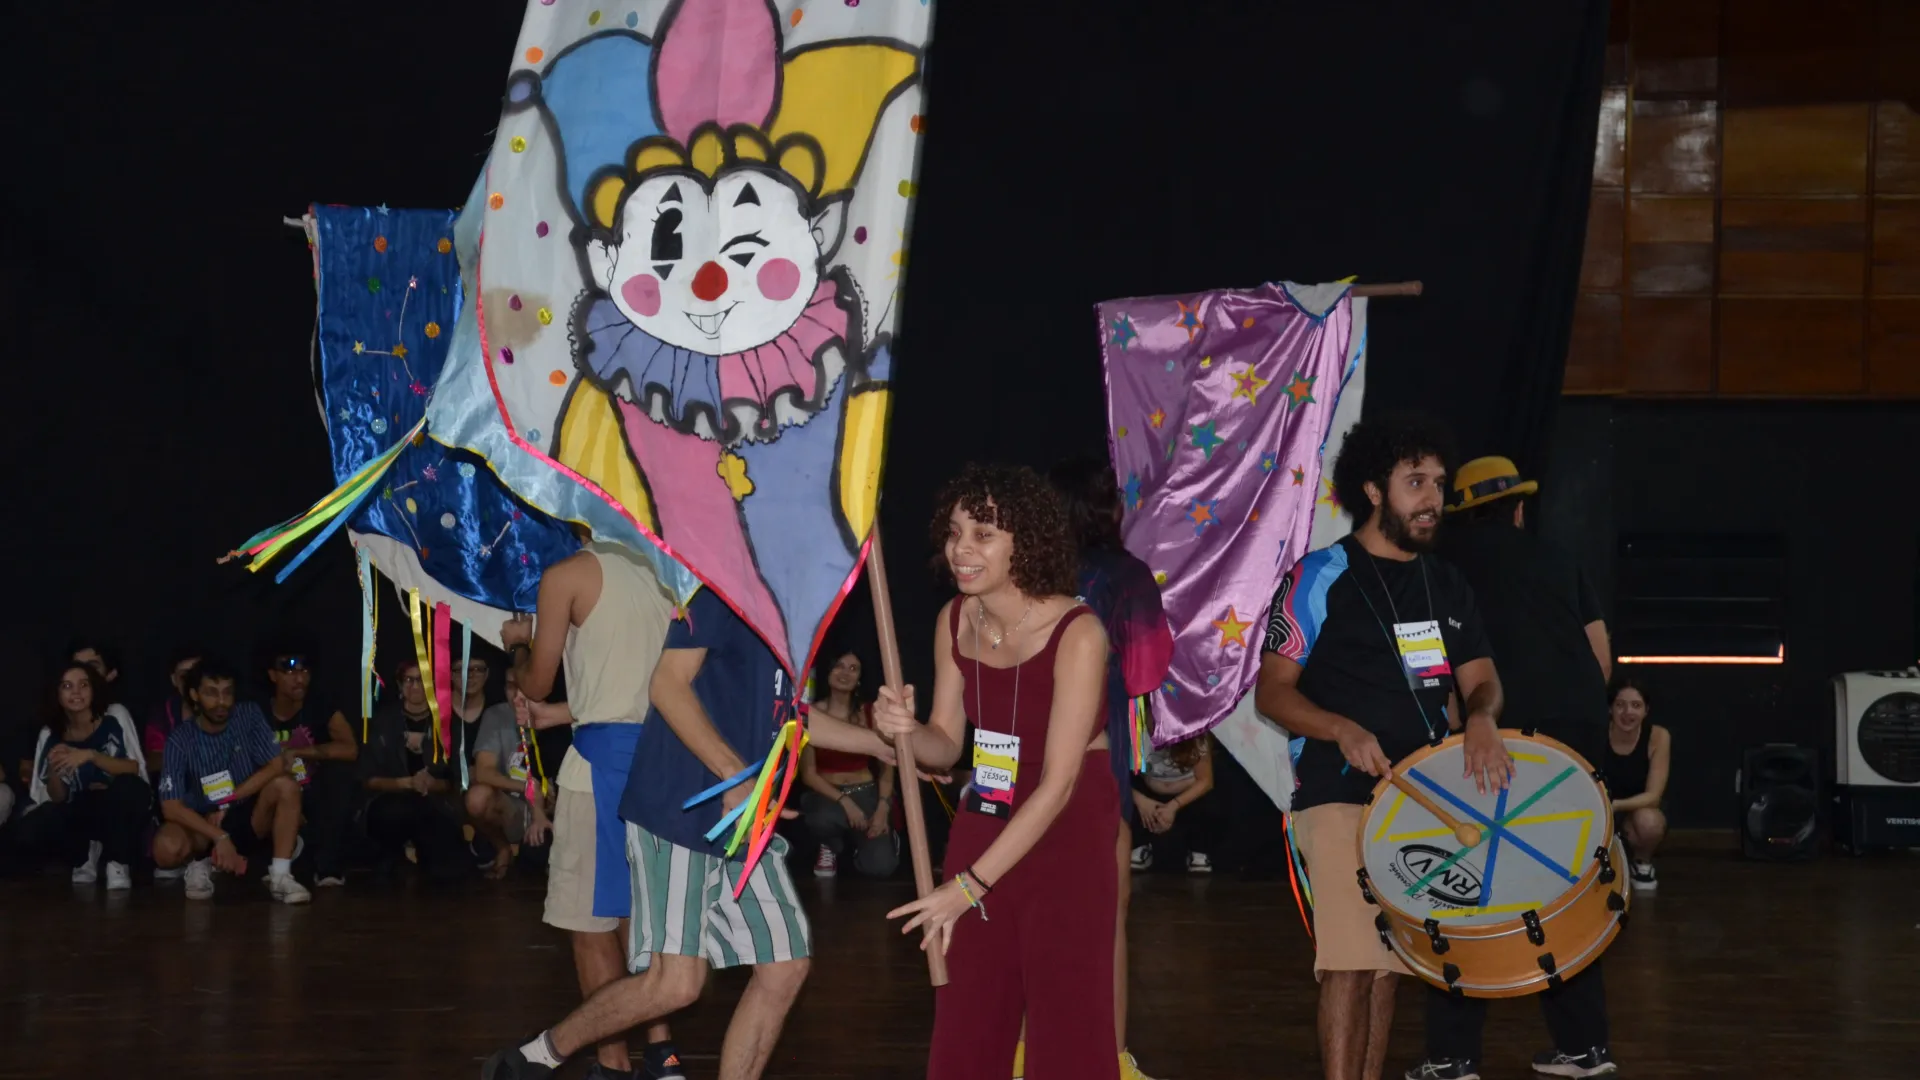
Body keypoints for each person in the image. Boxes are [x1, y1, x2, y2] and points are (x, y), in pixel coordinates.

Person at [484, 580, 896, 1080]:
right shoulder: (721, 594)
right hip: (679, 807)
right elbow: (665, 684)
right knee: (676, 984)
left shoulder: (794, 617)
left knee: (785, 966)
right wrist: (733, 774)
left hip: (743, 817)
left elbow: (790, 716)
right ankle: (538, 1056)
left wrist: (879, 745)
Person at [1254, 414, 1507, 1080]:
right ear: (1372, 490)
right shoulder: (1318, 576)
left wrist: (1482, 718)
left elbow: (1481, 682)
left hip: (1422, 800)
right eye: (1415, 482)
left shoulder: (1446, 583)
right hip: (1336, 793)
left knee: (1390, 966)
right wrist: (1340, 728)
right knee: (1349, 962)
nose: (1432, 499)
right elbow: (1272, 693)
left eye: (1439, 484)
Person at [870, 463, 1118, 1080]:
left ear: (1023, 541)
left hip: (1068, 822)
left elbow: (1059, 784)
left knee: (1067, 1011)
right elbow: (945, 745)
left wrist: (968, 887)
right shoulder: (955, 618)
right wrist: (902, 730)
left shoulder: (1078, 631)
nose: (962, 548)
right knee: (969, 1004)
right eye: (955, 532)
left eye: (983, 534)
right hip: (989, 804)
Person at [1419, 454, 1620, 1079]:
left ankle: (1453, 1057)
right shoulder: (1560, 559)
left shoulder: (1442, 567)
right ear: (1519, 509)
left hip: (1492, 739)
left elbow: (1439, 666)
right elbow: (1601, 660)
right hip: (1574, 743)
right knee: (1566, 887)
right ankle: (1585, 1047)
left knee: (1464, 889)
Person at [500, 540, 685, 1080]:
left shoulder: (569, 575)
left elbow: (536, 681)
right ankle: (664, 1056)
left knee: (591, 924)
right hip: (661, 766)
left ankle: (612, 1063)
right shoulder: (670, 572)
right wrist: (566, 713)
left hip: (600, 770)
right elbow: (643, 685)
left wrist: (518, 646)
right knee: (641, 919)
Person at [1048, 454, 1174, 1080]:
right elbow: (1149, 670)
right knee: (1108, 916)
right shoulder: (1125, 576)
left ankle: (1029, 1055)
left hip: (1025, 752)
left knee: (1031, 915)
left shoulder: (1024, 570)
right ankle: (1110, 1060)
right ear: (1105, 507)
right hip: (1098, 754)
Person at [154, 659, 312, 904]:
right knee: (166, 848)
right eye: (211, 693)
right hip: (202, 825)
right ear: (194, 695)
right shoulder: (180, 739)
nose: (221, 702)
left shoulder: (248, 715)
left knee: (286, 784)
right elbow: (170, 807)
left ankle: (281, 875)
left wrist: (229, 799)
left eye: (227, 693)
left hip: (245, 813)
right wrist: (219, 836)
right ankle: (199, 864)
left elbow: (276, 764)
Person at [14, 663, 150, 888]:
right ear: (57, 694)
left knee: (129, 788)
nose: (76, 692)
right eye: (67, 686)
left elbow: (134, 769)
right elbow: (57, 797)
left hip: (115, 805)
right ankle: (84, 854)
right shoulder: (50, 733)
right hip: (80, 808)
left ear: (94, 689)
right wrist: (54, 769)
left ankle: (117, 860)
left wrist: (91, 756)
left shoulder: (114, 716)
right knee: (33, 826)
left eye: (83, 685)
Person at [356, 658, 471, 882]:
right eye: (409, 680)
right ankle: (391, 856)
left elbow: (457, 779)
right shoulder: (382, 721)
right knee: (395, 811)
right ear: (400, 685)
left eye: (422, 680)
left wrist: (432, 784)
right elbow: (367, 778)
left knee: (450, 875)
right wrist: (405, 783)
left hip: (436, 804)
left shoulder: (448, 723)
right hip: (390, 803)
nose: (416, 686)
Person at [261, 647, 358, 887]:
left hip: (314, 794)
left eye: (304, 671)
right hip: (273, 792)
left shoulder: (320, 706)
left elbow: (350, 749)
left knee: (339, 777)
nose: (299, 679)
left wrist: (299, 752)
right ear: (273, 675)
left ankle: (328, 866)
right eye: (290, 672)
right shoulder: (258, 712)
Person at [798, 650, 899, 879]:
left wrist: (882, 809)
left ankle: (873, 843)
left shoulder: (870, 713)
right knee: (820, 818)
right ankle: (829, 845)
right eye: (839, 666)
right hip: (828, 796)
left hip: (866, 792)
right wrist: (845, 802)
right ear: (828, 671)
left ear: (860, 678)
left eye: (853, 669)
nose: (845, 673)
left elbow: (887, 764)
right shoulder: (811, 713)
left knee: (881, 867)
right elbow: (809, 774)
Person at [466, 666, 553, 880]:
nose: (516, 694)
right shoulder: (496, 715)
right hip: (511, 804)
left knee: (535, 861)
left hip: (549, 808)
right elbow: (483, 772)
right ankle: (501, 847)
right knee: (476, 798)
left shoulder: (553, 714)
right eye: (510, 686)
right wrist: (526, 788)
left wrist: (540, 805)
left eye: (522, 686)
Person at [1603, 678, 1668, 893]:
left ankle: (1642, 862)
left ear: (1646, 710)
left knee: (1650, 822)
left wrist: (1615, 805)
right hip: (1599, 806)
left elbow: (1654, 796)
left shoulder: (1658, 736)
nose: (1627, 712)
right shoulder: (1596, 734)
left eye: (1636, 705)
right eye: (1620, 705)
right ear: (1610, 709)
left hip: (1632, 809)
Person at [1130, 734, 1219, 874]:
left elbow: (1206, 781)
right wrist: (1141, 801)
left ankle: (1199, 852)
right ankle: (1140, 846)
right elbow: (1120, 774)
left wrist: (1173, 806)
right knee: (1125, 796)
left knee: (1208, 801)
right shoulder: (1137, 729)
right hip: (1149, 792)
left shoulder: (1196, 735)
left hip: (1186, 794)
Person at [142, 647, 203, 777]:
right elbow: (153, 761)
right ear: (174, 680)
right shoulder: (162, 712)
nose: (191, 682)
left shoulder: (222, 707)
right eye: (184, 676)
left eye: (197, 674)